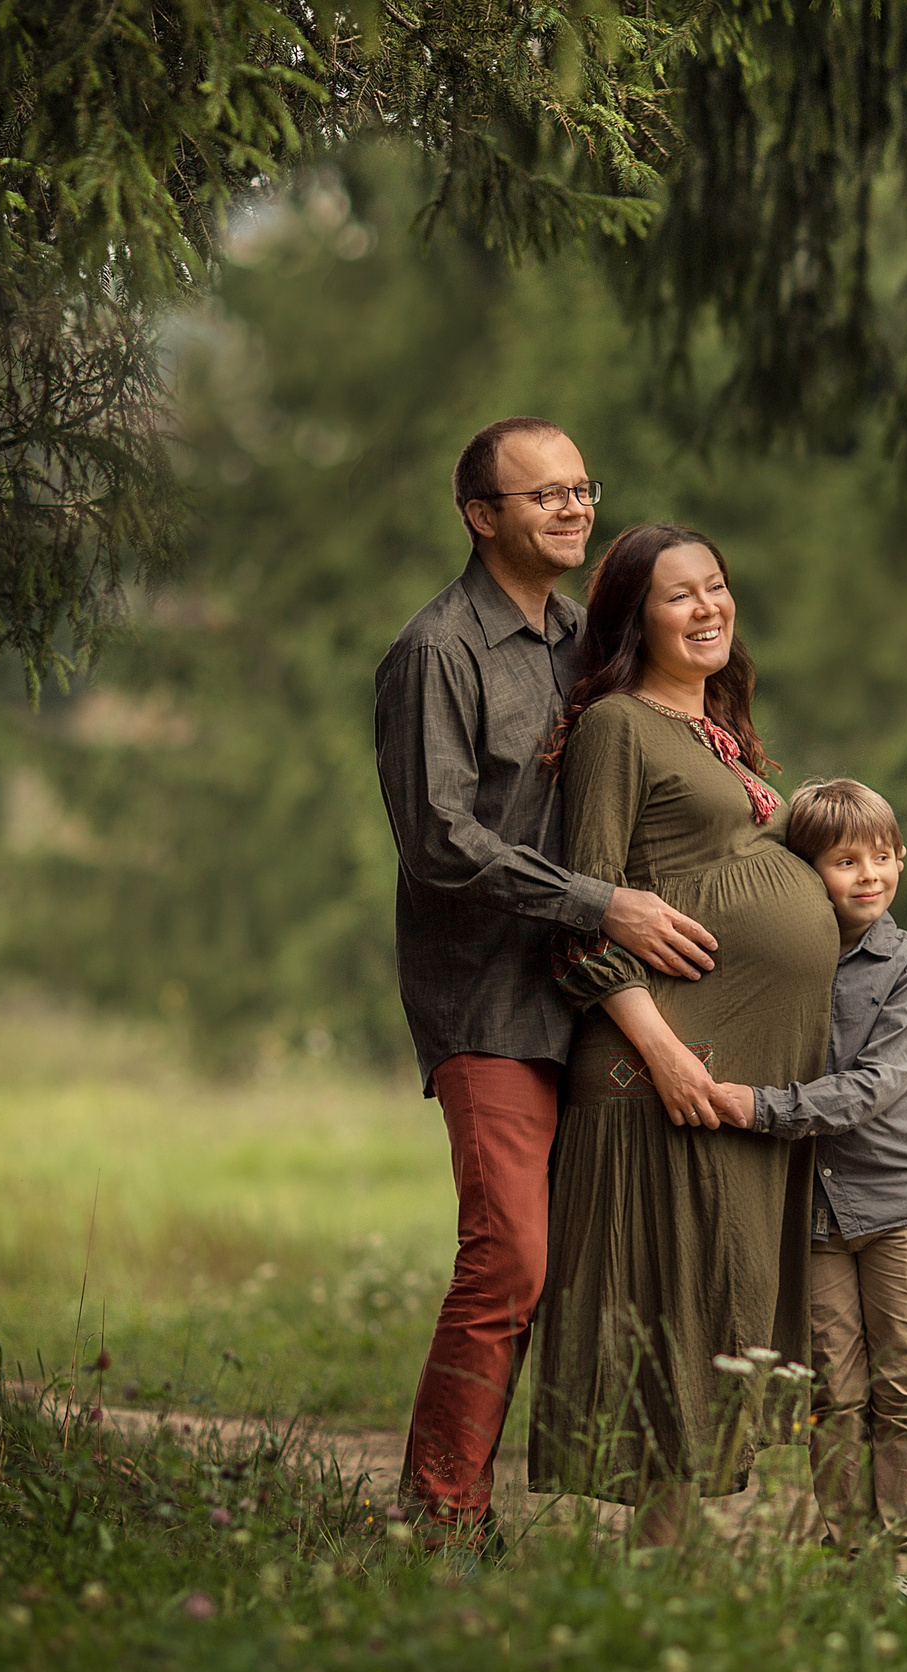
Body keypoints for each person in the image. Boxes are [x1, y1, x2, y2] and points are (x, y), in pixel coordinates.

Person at [372, 419, 721, 1554]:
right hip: (491, 999)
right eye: (543, 498)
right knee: (511, 1251)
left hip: (605, 990)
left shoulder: (589, 637)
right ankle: (443, 1515)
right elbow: (436, 839)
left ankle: (661, 1520)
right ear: (482, 515)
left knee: (626, 1250)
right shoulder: (438, 653)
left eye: (582, 491)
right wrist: (596, 903)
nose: (573, 512)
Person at [530, 523, 840, 1544]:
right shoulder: (619, 725)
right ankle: (658, 1578)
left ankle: (671, 1573)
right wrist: (663, 1054)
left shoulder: (719, 725)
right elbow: (582, 917)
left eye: (717, 584)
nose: (708, 606)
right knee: (674, 1304)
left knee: (723, 1301)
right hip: (664, 1068)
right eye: (678, 595)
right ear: (633, 617)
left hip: (740, 1082)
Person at [712, 779, 907, 1601]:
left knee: (905, 1383)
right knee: (835, 1392)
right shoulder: (787, 964)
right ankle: (850, 1555)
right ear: (804, 873)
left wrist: (758, 1108)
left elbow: (877, 1083)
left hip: (896, 1209)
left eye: (882, 857)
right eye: (845, 861)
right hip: (809, 1212)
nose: (869, 875)